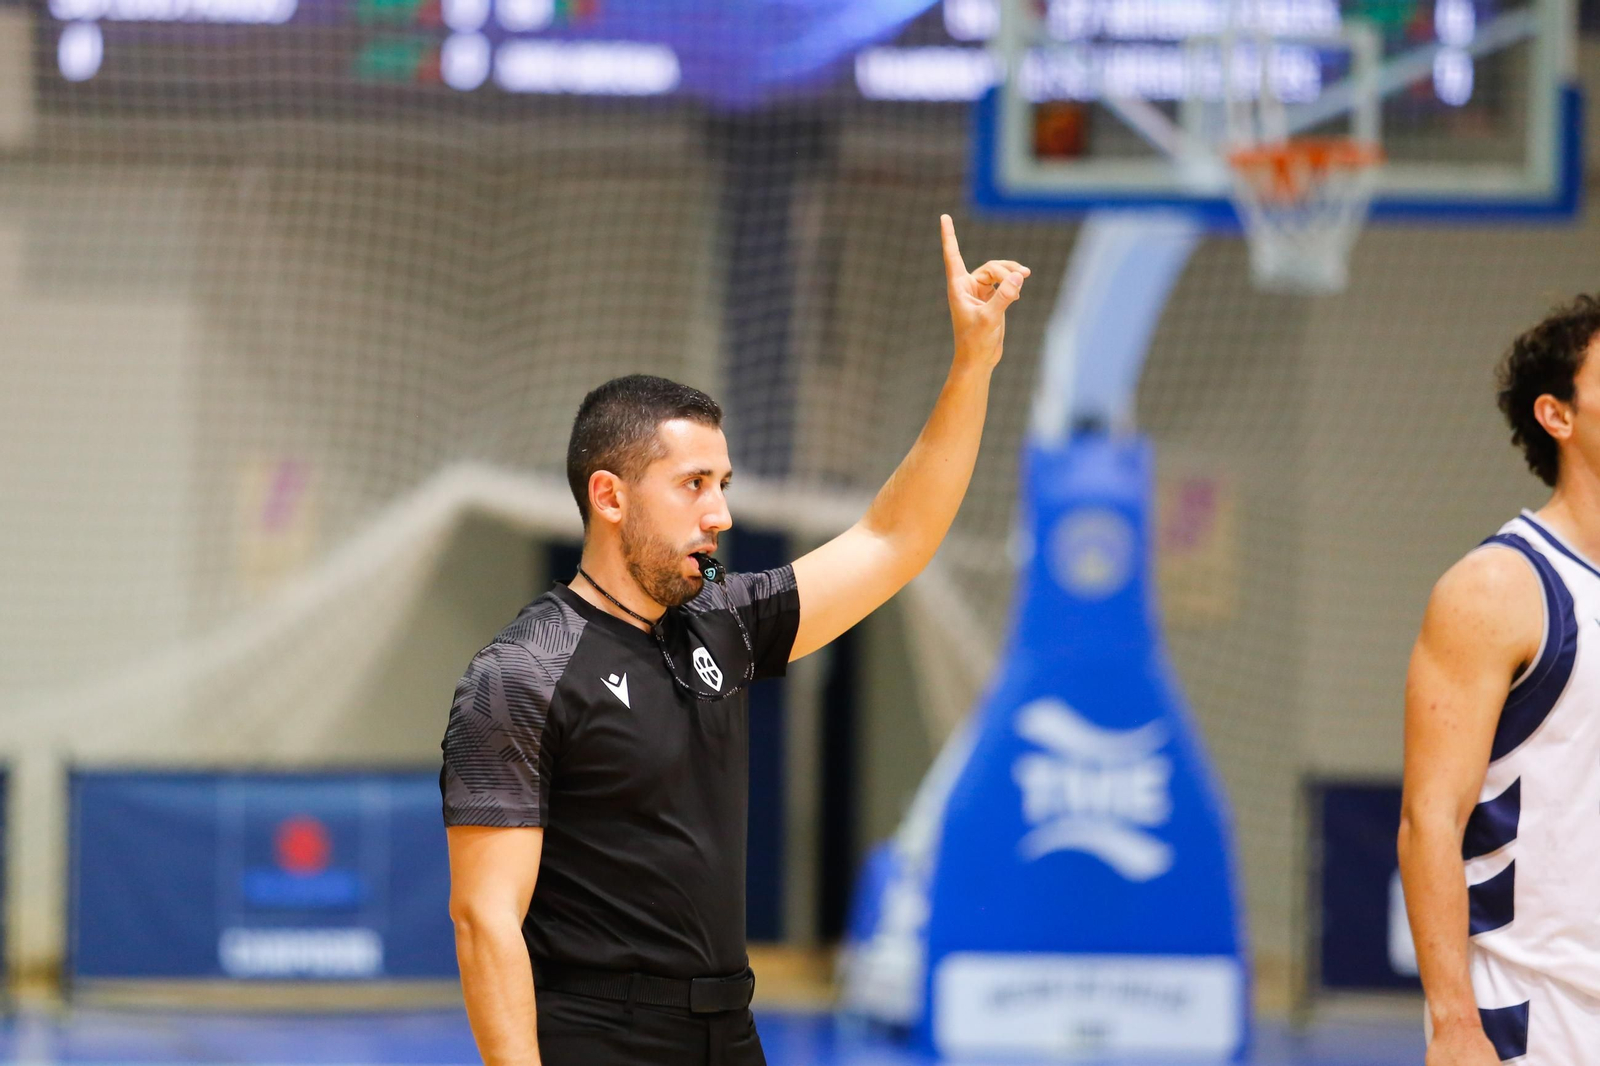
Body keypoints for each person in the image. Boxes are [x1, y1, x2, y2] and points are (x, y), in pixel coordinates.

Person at [440, 215, 1028, 1066]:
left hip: (729, 1034)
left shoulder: (722, 619)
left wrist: (973, 364)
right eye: (692, 485)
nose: (719, 513)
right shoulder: (521, 674)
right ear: (609, 496)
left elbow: (894, 541)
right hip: (599, 1039)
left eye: (722, 484)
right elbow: (483, 920)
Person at [1399, 294, 1600, 1066]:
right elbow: (1430, 820)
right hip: (1536, 1017)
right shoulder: (1498, 587)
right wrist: (1454, 1023)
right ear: (1558, 414)